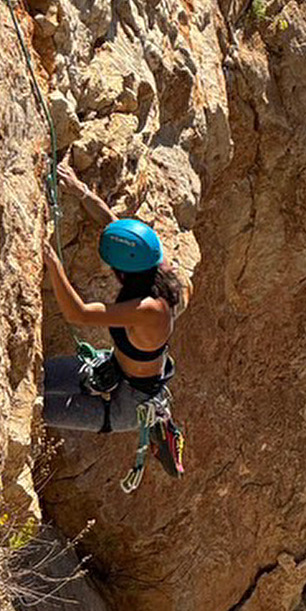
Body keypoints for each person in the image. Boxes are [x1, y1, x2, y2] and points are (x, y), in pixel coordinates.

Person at [42, 165, 187, 457]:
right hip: (114, 369)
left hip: (126, 407)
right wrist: (81, 192)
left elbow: (79, 314)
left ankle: (160, 427)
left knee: (39, 410)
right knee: (38, 378)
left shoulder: (148, 310)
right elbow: (118, 229)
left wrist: (53, 265)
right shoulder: (161, 270)